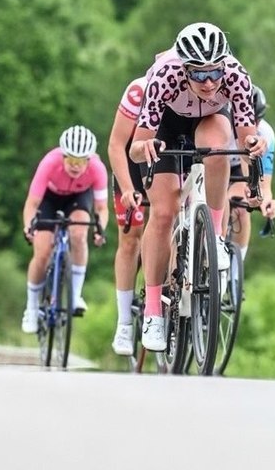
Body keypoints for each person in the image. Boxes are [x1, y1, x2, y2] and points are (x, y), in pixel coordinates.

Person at [128, 22, 268, 351]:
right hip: (166, 123)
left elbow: (247, 140)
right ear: (184, 68)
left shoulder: (235, 75)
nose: (209, 82)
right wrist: (145, 150)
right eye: (199, 75)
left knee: (219, 147)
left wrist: (254, 158)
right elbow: (136, 147)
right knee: (163, 215)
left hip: (211, 120)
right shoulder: (164, 75)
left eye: (215, 73)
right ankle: (153, 312)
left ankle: (215, 234)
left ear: (225, 66)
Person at [21, 125, 109, 333]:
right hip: (49, 199)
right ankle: (31, 308)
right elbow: (32, 203)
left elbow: (102, 208)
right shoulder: (49, 163)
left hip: (78, 198)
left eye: (80, 162)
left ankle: (75, 295)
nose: (75, 166)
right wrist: (29, 225)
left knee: (79, 234)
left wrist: (100, 230)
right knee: (42, 253)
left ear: (89, 160)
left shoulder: (98, 169)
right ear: (62, 156)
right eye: (70, 160)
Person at [107, 76, 148, 356]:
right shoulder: (139, 91)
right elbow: (116, 145)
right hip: (132, 163)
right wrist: (127, 188)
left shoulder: (197, 88)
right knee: (131, 241)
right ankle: (124, 322)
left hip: (168, 157)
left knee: (170, 220)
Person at [226, 85, 275, 261]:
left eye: (255, 121)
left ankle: (235, 274)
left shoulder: (266, 134)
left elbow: (264, 186)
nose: (251, 126)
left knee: (241, 209)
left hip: (238, 171)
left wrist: (267, 202)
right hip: (212, 165)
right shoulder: (220, 126)